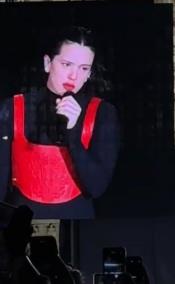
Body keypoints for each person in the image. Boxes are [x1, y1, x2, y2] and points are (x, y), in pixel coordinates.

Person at [0, 26, 120, 219]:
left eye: (84, 69)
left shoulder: (102, 112)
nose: (74, 76)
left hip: (76, 218)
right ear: (48, 63)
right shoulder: (13, 107)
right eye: (66, 65)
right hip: (21, 219)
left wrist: (73, 133)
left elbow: (97, 187)